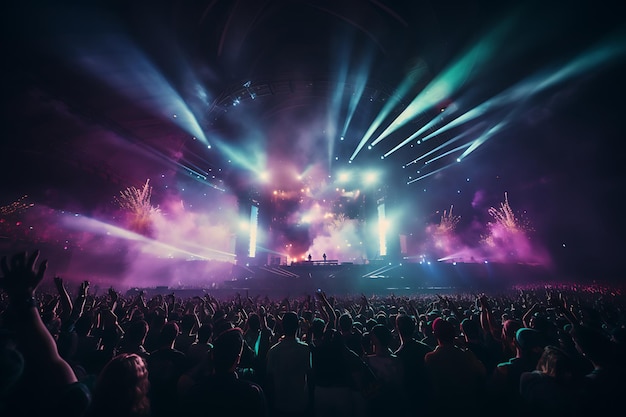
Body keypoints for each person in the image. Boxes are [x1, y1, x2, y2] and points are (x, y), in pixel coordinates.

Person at [265, 311, 312, 417]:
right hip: (300, 403)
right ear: (298, 326)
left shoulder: (273, 351)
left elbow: (269, 379)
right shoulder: (305, 349)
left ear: (282, 326)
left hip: (280, 404)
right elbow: (309, 374)